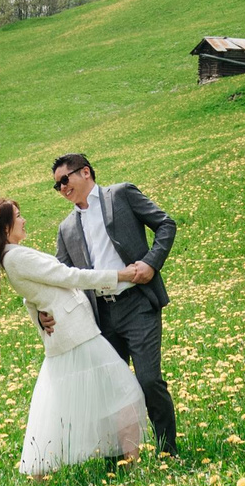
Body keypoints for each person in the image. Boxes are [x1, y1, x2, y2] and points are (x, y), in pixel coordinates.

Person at [0, 197, 147, 478]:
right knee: (123, 392)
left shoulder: (13, 256)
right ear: (6, 227)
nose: (23, 220)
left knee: (64, 406)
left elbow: (33, 292)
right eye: (18, 216)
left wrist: (37, 313)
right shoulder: (16, 256)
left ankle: (49, 472)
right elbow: (68, 276)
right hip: (76, 334)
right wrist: (120, 275)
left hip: (70, 334)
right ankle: (132, 466)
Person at [51, 152, 179, 455]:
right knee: (112, 392)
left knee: (149, 381)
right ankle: (121, 458)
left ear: (85, 172)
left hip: (138, 304)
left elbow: (166, 224)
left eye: (65, 180)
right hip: (102, 317)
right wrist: (47, 312)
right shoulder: (66, 229)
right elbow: (63, 278)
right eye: (56, 186)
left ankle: (168, 452)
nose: (62, 188)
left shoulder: (120, 195)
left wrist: (151, 263)